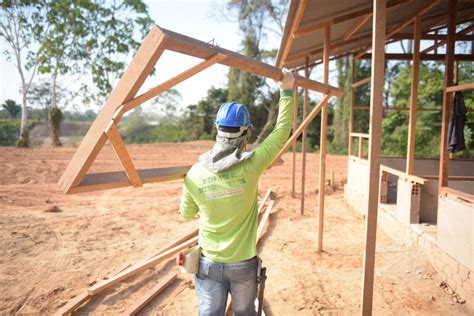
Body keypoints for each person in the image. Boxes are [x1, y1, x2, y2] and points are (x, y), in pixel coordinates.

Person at [179, 69, 295, 316]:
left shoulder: (194, 173)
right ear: (245, 132)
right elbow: (281, 131)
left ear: (217, 129)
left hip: (208, 263)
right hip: (243, 264)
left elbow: (186, 213)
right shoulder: (251, 165)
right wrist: (286, 89)